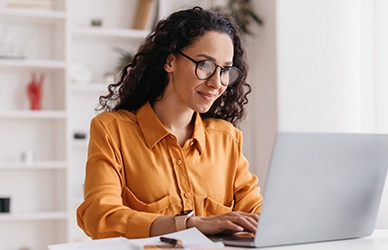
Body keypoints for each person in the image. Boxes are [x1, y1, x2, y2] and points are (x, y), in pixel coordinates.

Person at [76, 6, 263, 239]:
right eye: (205, 64)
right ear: (170, 62)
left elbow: (255, 213)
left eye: (225, 70)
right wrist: (189, 224)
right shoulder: (112, 130)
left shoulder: (226, 137)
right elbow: (101, 217)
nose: (217, 83)